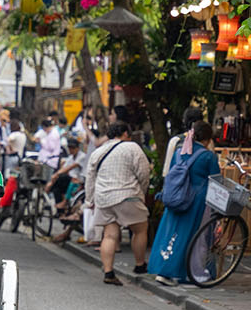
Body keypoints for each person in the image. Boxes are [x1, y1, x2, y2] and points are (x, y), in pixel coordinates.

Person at [149, 121, 220, 285]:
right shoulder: (208, 156)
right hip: (197, 202)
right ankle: (194, 274)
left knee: (172, 234)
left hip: (176, 198)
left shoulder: (180, 152)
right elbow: (217, 181)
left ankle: (164, 270)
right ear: (208, 139)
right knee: (197, 239)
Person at [84, 122, 152, 285]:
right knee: (140, 229)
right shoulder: (132, 148)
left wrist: (90, 200)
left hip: (104, 198)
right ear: (124, 134)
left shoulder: (98, 152)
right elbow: (144, 173)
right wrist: (141, 192)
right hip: (127, 194)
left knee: (109, 235)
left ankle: (108, 272)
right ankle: (139, 265)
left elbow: (90, 179)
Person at [46, 135, 87, 212]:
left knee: (61, 177)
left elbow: (70, 167)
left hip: (79, 180)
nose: (71, 150)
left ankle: (62, 202)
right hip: (69, 178)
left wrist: (56, 174)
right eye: (70, 148)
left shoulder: (82, 156)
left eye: (73, 148)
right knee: (56, 189)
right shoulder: (70, 158)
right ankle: (59, 210)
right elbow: (64, 167)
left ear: (78, 148)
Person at [163, 106, 205, 176]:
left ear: (184, 121)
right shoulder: (207, 142)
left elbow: (167, 171)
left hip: (178, 184)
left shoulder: (175, 141)